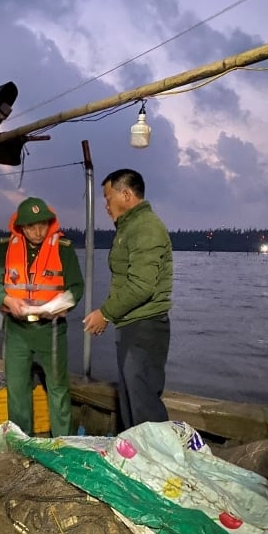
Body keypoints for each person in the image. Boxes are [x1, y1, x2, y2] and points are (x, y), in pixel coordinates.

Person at [83, 169, 173, 430]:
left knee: (144, 404)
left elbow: (142, 286)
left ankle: (158, 466)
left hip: (145, 328)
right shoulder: (129, 227)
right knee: (130, 402)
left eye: (108, 197)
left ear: (126, 194)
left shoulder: (146, 227)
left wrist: (105, 314)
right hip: (132, 326)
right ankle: (136, 463)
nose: (106, 205)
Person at [0, 197, 84, 437]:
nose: (38, 232)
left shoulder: (64, 248)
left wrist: (63, 305)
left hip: (51, 330)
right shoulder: (5, 247)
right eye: (31, 227)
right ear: (21, 227)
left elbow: (76, 287)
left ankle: (62, 443)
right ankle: (21, 442)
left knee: (58, 388)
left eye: (42, 225)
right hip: (16, 330)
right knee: (17, 388)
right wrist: (8, 300)